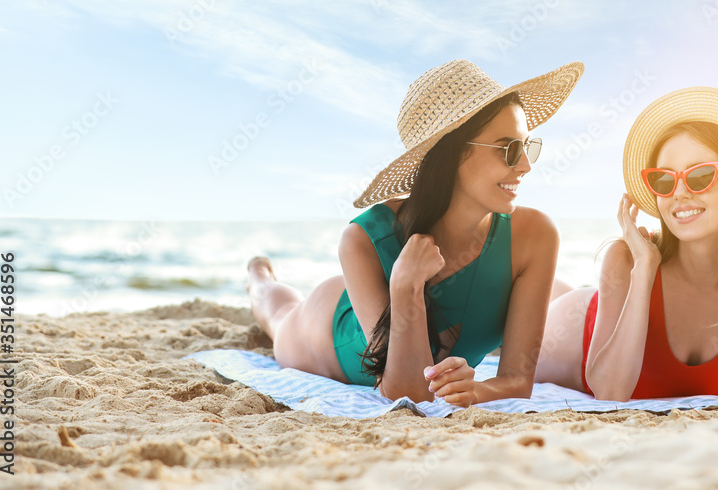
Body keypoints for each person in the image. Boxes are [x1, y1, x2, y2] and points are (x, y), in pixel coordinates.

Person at [247, 59, 584, 407]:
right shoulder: (364, 237)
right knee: (276, 311)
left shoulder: (535, 236)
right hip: (327, 328)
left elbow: (516, 379)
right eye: (508, 149)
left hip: (365, 294)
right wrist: (405, 287)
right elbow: (406, 393)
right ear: (452, 154)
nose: (526, 166)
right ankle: (258, 277)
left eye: (528, 147)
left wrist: (477, 391)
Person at [535, 86, 718, 401]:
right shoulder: (628, 259)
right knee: (525, 303)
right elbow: (610, 391)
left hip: (602, 300)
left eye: (700, 176)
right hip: (565, 322)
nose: (679, 193)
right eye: (664, 180)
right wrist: (644, 269)